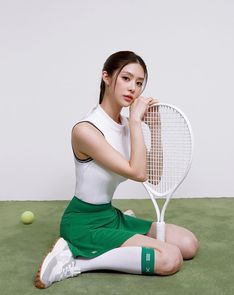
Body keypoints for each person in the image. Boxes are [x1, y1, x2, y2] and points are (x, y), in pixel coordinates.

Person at [35, 51, 199, 289]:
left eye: (139, 83)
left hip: (109, 216)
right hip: (83, 224)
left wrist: (154, 129)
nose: (133, 88)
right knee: (170, 258)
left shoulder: (125, 124)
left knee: (188, 244)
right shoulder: (86, 130)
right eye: (126, 78)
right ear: (107, 77)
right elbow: (138, 173)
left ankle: (117, 238)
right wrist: (135, 122)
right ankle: (74, 263)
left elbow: (153, 176)